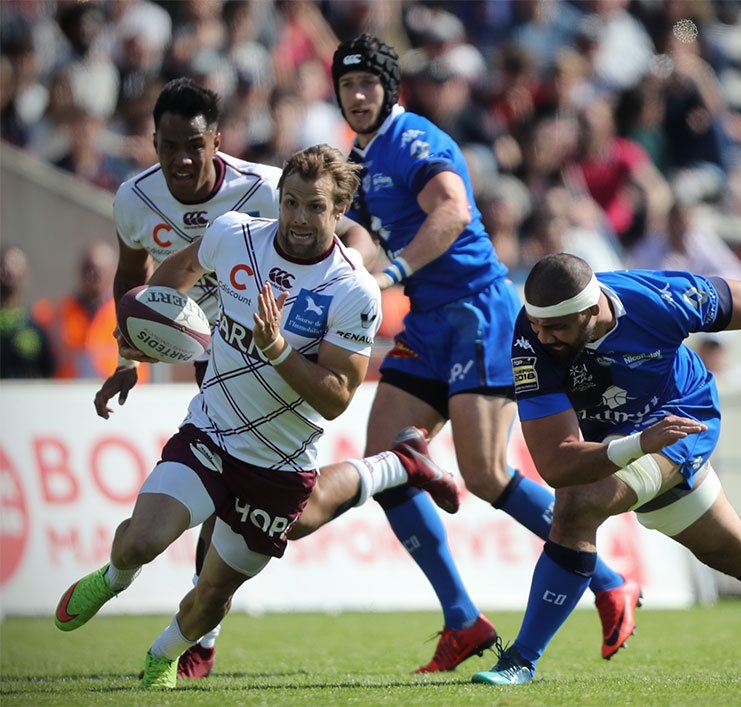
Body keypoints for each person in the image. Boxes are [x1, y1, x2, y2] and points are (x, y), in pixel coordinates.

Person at [290, 35, 639, 673]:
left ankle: (610, 579)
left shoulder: (415, 139)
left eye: (369, 83)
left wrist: (390, 272)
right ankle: (463, 621)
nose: (358, 95)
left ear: (389, 89)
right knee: (387, 462)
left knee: (485, 476)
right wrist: (339, 272)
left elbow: (451, 211)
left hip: (479, 311)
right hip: (428, 323)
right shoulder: (358, 160)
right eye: (348, 87)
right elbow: (364, 235)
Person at [53, 144, 458, 690]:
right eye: (290, 202)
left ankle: (162, 655)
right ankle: (114, 577)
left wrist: (277, 350)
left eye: (314, 207)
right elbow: (184, 266)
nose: (297, 218)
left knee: (212, 596)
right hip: (212, 432)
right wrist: (146, 330)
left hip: (280, 463)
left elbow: (338, 396)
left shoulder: (352, 289)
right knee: (137, 542)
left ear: (339, 212)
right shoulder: (235, 234)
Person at [472, 252, 741, 684]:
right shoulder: (532, 335)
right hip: (632, 436)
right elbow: (556, 461)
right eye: (537, 325)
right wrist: (637, 444)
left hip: (682, 419)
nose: (544, 338)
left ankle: (521, 661)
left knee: (578, 506)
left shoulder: (663, 299)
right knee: (731, 549)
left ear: (592, 310)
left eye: (557, 329)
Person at [90, 77, 286, 680]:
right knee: (216, 491)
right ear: (152, 142)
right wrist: (129, 356)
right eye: (168, 145)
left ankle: (203, 628)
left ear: (216, 142)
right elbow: (134, 279)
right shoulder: (133, 198)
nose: (180, 159)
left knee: (249, 499)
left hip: (265, 350)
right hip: (203, 347)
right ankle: (181, 616)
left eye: (193, 146)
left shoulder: (266, 190)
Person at [32, 240, 121, 380]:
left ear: (112, 271)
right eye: (88, 268)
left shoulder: (123, 313)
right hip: (67, 393)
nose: (92, 275)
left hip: (115, 393)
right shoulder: (57, 312)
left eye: (99, 270)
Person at [0, 245, 54, 378]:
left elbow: (48, 373)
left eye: (15, 264)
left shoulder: (36, 326)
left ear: (26, 275)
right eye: (3, 264)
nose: (8, 270)